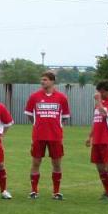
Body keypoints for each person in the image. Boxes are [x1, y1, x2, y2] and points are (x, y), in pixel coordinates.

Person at [24, 70, 71, 199]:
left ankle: (56, 192)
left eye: (45, 80)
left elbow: (65, 117)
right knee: (36, 162)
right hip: (38, 136)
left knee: (57, 164)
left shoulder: (61, 98)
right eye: (42, 79)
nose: (42, 82)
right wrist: (38, 124)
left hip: (55, 136)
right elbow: (29, 115)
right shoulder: (34, 97)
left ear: (52, 81)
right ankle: (34, 191)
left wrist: (55, 125)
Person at [85, 80, 108, 200]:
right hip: (97, 140)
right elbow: (96, 120)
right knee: (100, 167)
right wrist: (90, 136)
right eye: (98, 91)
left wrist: (98, 101)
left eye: (102, 92)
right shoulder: (99, 103)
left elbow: (104, 114)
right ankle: (106, 191)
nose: (99, 94)